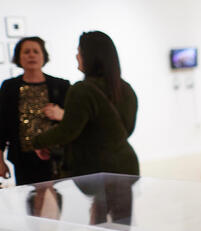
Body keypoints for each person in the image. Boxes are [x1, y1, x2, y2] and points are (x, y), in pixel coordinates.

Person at [32, 31, 139, 179]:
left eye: (79, 52)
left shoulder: (82, 90)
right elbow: (128, 129)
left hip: (96, 169)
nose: (77, 56)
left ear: (90, 56)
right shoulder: (125, 88)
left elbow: (67, 131)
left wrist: (38, 142)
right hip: (127, 166)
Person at [0, 36, 70, 185]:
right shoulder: (9, 87)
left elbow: (75, 119)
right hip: (23, 159)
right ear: (18, 57)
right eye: (26, 52)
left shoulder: (61, 85)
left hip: (56, 158)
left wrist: (61, 114)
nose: (31, 55)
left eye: (36, 51)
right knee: (29, 204)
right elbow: (2, 125)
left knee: (58, 203)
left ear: (43, 56)